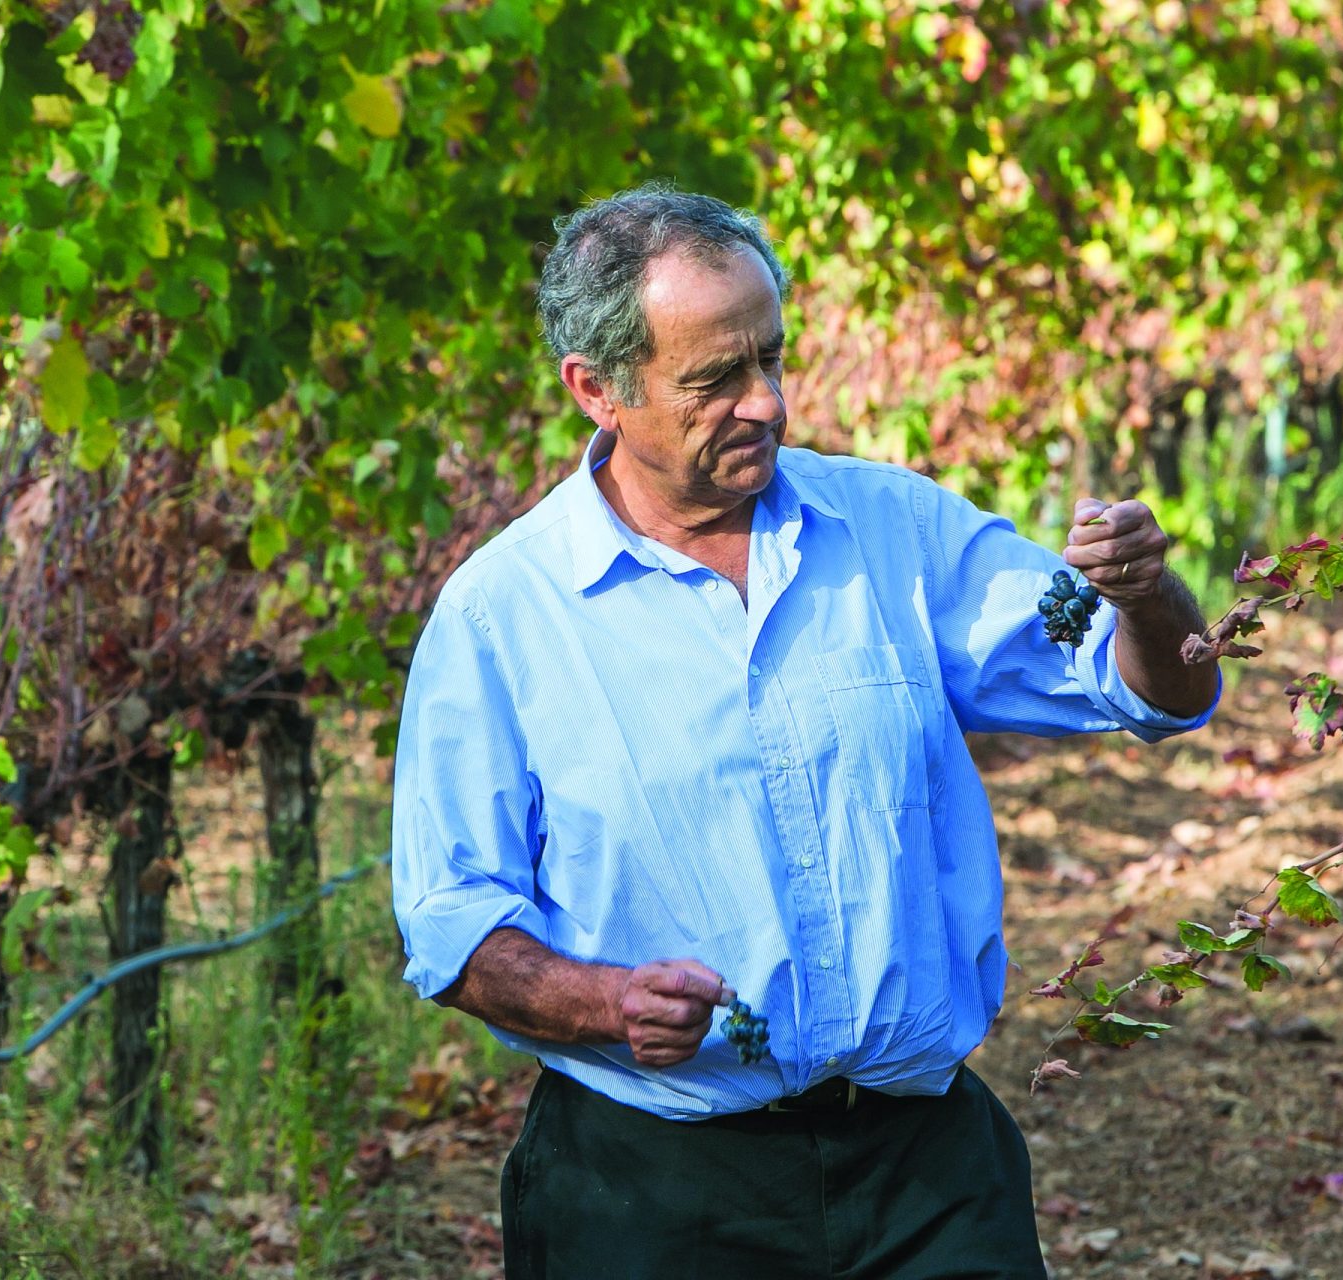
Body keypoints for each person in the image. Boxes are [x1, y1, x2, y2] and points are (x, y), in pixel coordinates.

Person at [391, 185, 1220, 1279]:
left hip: (925, 1176)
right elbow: (452, 923)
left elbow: (1147, 691)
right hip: (651, 1193)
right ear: (597, 389)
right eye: (715, 379)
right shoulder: (504, 615)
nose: (768, 403)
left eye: (772, 360)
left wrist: (1147, 596)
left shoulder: (893, 529)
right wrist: (603, 1000)